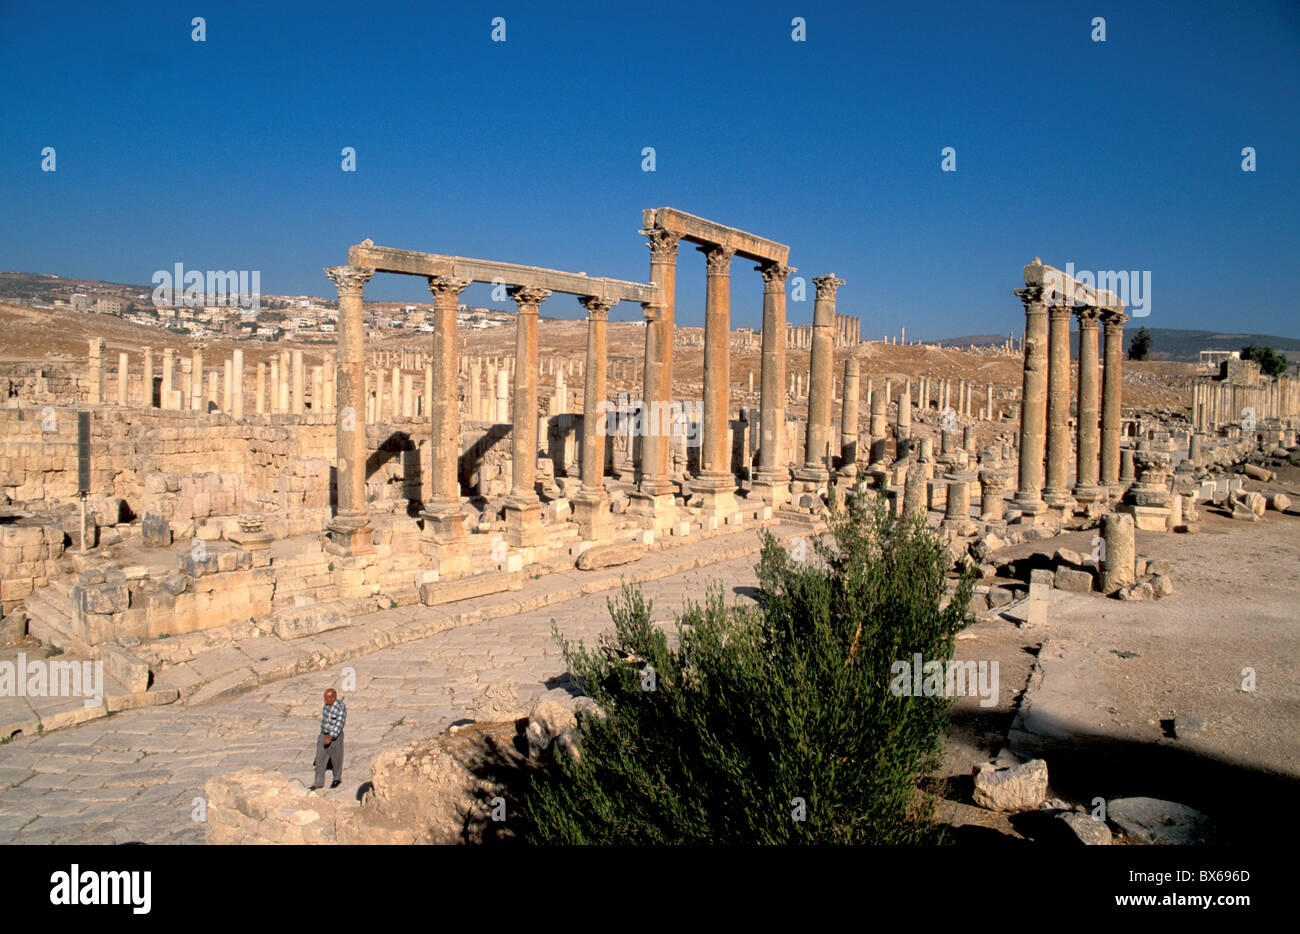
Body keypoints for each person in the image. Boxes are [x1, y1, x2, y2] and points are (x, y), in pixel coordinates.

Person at [310, 687, 346, 791]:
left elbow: (339, 723)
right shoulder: (326, 706)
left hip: (335, 736)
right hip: (324, 734)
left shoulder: (340, 707)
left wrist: (330, 737)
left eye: (327, 698)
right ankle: (318, 782)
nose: (325, 700)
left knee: (336, 758)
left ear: (333, 698)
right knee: (320, 758)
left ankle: (337, 778)